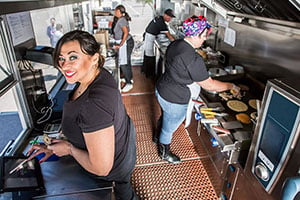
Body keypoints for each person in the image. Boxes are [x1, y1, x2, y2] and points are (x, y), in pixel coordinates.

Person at [27, 30, 138, 200]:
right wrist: (58, 145)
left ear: (94, 58)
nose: (64, 66)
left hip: (114, 170)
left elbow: (101, 168)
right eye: (61, 59)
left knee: (124, 193)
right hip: (123, 151)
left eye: (73, 57)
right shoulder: (97, 76)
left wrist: (69, 149)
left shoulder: (94, 103)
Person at [155, 15, 241, 164]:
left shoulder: (176, 44)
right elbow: (210, 85)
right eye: (203, 36)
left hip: (162, 89)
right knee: (169, 128)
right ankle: (164, 153)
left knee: (165, 117)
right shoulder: (193, 59)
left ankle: (158, 135)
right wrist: (231, 86)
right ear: (195, 35)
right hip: (174, 99)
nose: (204, 40)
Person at [142, 9, 176, 79]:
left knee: (147, 54)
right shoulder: (162, 23)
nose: (170, 19)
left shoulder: (159, 18)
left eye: (171, 18)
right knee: (150, 56)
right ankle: (149, 75)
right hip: (150, 38)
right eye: (169, 17)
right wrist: (176, 43)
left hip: (148, 36)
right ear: (165, 15)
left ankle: (145, 71)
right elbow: (169, 36)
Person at [113, 5, 135, 93]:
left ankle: (129, 83)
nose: (115, 13)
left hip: (126, 43)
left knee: (123, 63)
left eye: (116, 11)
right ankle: (129, 78)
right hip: (126, 42)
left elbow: (126, 32)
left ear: (120, 12)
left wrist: (120, 44)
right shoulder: (120, 19)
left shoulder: (122, 20)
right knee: (127, 62)